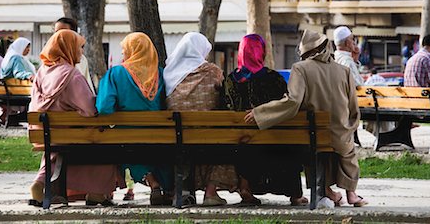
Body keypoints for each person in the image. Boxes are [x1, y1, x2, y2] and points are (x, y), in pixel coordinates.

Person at [244, 30, 368, 207]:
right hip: (340, 135)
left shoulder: (300, 68)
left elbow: (293, 102)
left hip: (312, 137)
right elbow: (353, 108)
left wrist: (260, 113)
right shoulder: (344, 71)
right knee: (343, 146)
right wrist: (349, 126)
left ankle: (325, 191)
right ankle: (352, 194)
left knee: (312, 144)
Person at [29, 30, 123, 207]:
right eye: (79, 48)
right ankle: (97, 192)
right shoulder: (72, 75)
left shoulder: (42, 72)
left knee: (55, 151)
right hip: (73, 136)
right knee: (108, 142)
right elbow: (89, 110)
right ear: (68, 48)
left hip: (47, 135)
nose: (81, 52)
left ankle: (39, 183)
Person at [224, 34, 308, 206]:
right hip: (275, 139)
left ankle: (245, 187)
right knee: (290, 145)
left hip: (240, 142)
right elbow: (285, 107)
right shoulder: (274, 78)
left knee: (244, 145)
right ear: (262, 52)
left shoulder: (230, 81)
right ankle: (295, 194)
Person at [96, 32, 172, 206]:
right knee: (148, 144)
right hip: (159, 134)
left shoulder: (116, 73)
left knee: (124, 143)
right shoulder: (160, 74)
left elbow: (104, 108)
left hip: (127, 134)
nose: (123, 54)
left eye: (124, 50)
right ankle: (163, 186)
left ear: (132, 50)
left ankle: (153, 182)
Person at [164, 32, 238, 206]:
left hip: (175, 136)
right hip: (208, 134)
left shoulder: (168, 73)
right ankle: (211, 193)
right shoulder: (213, 71)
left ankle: (182, 192)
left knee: (184, 145)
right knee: (226, 140)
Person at [53, 17, 95, 94]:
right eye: (56, 32)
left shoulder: (81, 59)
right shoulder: (49, 58)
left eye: (63, 32)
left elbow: (87, 85)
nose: (59, 36)